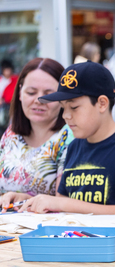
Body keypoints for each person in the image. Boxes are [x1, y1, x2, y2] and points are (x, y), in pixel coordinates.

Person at [18, 61, 115, 217]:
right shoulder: (74, 146)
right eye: (63, 107)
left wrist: (63, 204)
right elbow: (60, 205)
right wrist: (27, 201)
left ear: (102, 103)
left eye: (74, 107)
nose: (65, 115)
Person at [0, 58, 74, 211]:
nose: (39, 100)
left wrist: (27, 200)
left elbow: (65, 204)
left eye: (49, 94)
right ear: (20, 92)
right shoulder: (11, 134)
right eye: (31, 92)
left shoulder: (68, 137)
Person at [0, 59, 18, 134]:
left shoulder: (15, 79)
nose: (8, 71)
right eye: (6, 69)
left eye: (9, 69)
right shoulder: (1, 80)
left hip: (12, 106)